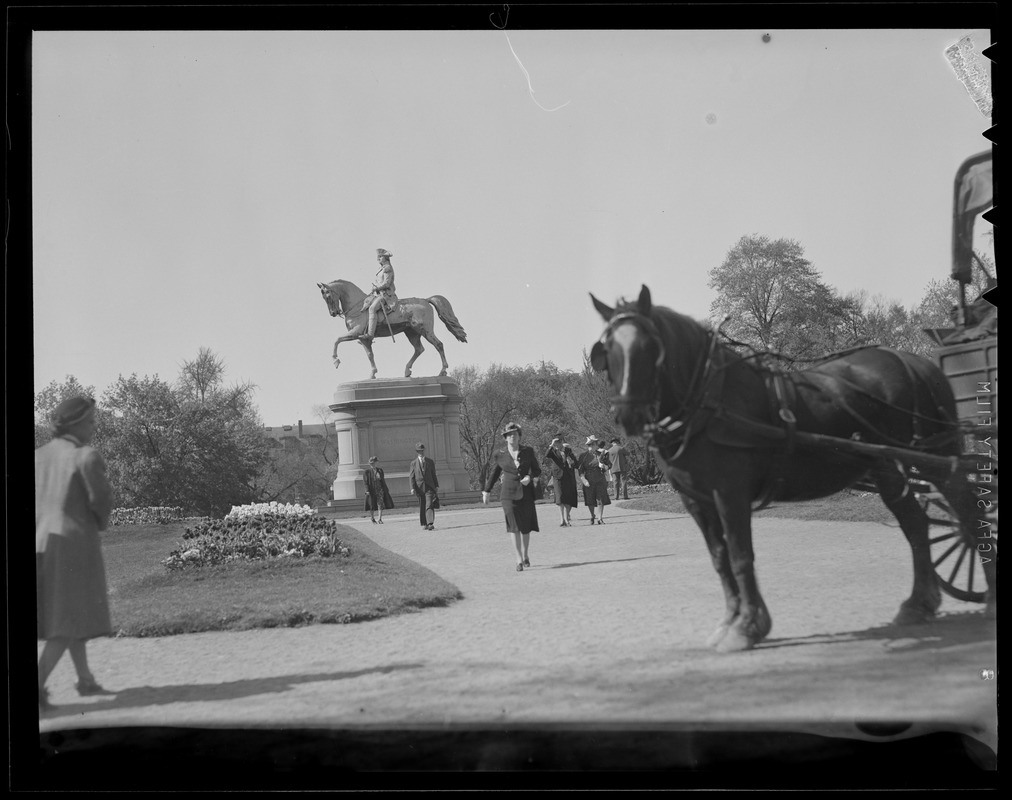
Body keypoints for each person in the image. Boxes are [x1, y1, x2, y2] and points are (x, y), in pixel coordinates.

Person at [36, 396, 115, 711]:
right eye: (92, 421)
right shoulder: (85, 456)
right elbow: (101, 501)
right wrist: (98, 522)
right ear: (76, 423)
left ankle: (85, 679)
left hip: (41, 543)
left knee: (67, 614)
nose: (95, 427)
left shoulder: (38, 456)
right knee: (68, 619)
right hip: (73, 548)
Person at [482, 423, 541, 571]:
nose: (512, 437)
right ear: (505, 438)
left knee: (526, 527)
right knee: (514, 527)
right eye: (509, 435)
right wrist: (486, 490)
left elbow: (537, 470)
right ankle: (519, 559)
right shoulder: (499, 454)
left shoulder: (528, 451)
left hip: (526, 493)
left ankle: (526, 554)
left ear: (519, 436)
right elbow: (495, 473)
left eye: (515, 434)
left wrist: (529, 476)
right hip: (508, 495)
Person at [360, 248, 399, 342]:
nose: (378, 259)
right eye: (378, 257)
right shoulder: (380, 269)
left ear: (385, 258)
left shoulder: (387, 268)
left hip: (386, 295)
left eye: (380, 257)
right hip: (378, 294)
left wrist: (377, 288)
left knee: (372, 308)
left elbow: (387, 283)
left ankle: (370, 335)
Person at [542, 433, 578, 527]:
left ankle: (567, 518)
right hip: (557, 476)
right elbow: (546, 456)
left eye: (558, 442)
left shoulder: (568, 450)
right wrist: (551, 444)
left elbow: (575, 462)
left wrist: (572, 463)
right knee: (560, 498)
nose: (556, 444)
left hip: (568, 476)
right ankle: (562, 519)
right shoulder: (553, 451)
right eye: (555, 442)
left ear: (562, 442)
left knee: (567, 498)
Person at [576, 436, 611, 525]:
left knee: (601, 499)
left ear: (596, 444)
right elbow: (580, 470)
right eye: (589, 444)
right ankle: (592, 515)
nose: (591, 446)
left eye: (592, 444)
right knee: (590, 500)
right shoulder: (583, 456)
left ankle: (600, 518)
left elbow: (609, 465)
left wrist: (605, 467)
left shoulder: (602, 454)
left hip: (600, 478)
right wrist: (583, 479)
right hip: (588, 480)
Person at [409, 442, 439, 530]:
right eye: (419, 451)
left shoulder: (430, 462)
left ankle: (430, 523)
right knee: (423, 505)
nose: (421, 452)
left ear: (424, 450)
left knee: (429, 504)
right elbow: (411, 476)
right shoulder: (413, 463)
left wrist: (436, 485)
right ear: (416, 451)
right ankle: (424, 523)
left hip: (429, 486)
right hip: (419, 488)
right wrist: (412, 488)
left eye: (422, 450)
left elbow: (433, 474)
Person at [363, 455, 394, 524]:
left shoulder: (380, 470)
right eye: (371, 463)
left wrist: (385, 488)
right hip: (371, 490)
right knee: (372, 505)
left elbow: (382, 480)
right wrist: (367, 490)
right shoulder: (367, 472)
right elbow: (365, 482)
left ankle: (379, 519)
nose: (372, 465)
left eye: (374, 463)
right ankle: (372, 517)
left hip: (379, 489)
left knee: (380, 504)